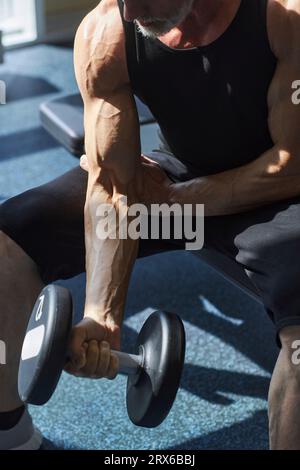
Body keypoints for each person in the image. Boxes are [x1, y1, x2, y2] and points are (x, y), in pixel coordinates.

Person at [0, 0, 300, 450]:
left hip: (279, 197)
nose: (133, 10)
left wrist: (179, 200)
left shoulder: (283, 17)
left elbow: (291, 164)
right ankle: (11, 434)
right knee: (12, 235)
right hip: (176, 176)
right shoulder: (108, 32)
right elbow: (113, 186)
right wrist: (102, 315)